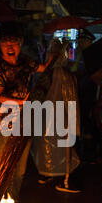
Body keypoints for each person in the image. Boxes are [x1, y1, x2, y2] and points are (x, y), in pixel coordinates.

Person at [0, 21, 54, 203]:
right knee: (3, 168)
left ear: (20, 43)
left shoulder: (26, 61)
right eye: (5, 42)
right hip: (3, 124)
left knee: (20, 170)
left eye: (14, 42)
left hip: (24, 123)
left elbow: (44, 68)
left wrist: (54, 54)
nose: (10, 46)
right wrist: (25, 102)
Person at [31, 39, 81, 193]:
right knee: (62, 151)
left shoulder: (43, 72)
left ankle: (44, 175)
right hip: (61, 119)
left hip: (43, 118)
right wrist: (75, 125)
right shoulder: (65, 75)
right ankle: (64, 181)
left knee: (44, 148)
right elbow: (71, 100)